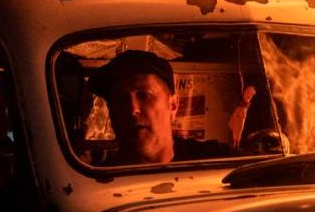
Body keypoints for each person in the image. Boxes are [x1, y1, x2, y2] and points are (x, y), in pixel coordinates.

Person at [89, 50, 230, 165]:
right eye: (120, 100)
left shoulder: (218, 160)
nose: (132, 109)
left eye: (144, 95)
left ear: (173, 105)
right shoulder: (96, 183)